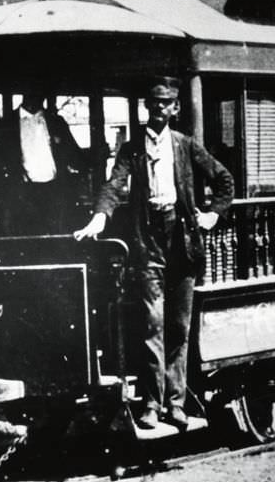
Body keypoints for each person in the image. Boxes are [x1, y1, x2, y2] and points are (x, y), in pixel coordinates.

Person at [73, 76, 234, 431]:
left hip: (183, 242)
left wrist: (212, 214)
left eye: (167, 104)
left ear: (175, 108)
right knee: (152, 324)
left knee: (179, 326)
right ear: (148, 107)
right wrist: (100, 216)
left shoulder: (186, 146)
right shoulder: (132, 149)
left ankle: (176, 404)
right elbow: (114, 185)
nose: (160, 109)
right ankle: (150, 403)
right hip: (149, 244)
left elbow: (224, 179)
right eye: (155, 103)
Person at [0, 94, 88, 233]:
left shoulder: (56, 122)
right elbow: (0, 163)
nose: (35, 93)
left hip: (55, 194)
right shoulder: (6, 124)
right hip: (22, 196)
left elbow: (74, 156)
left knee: (56, 240)